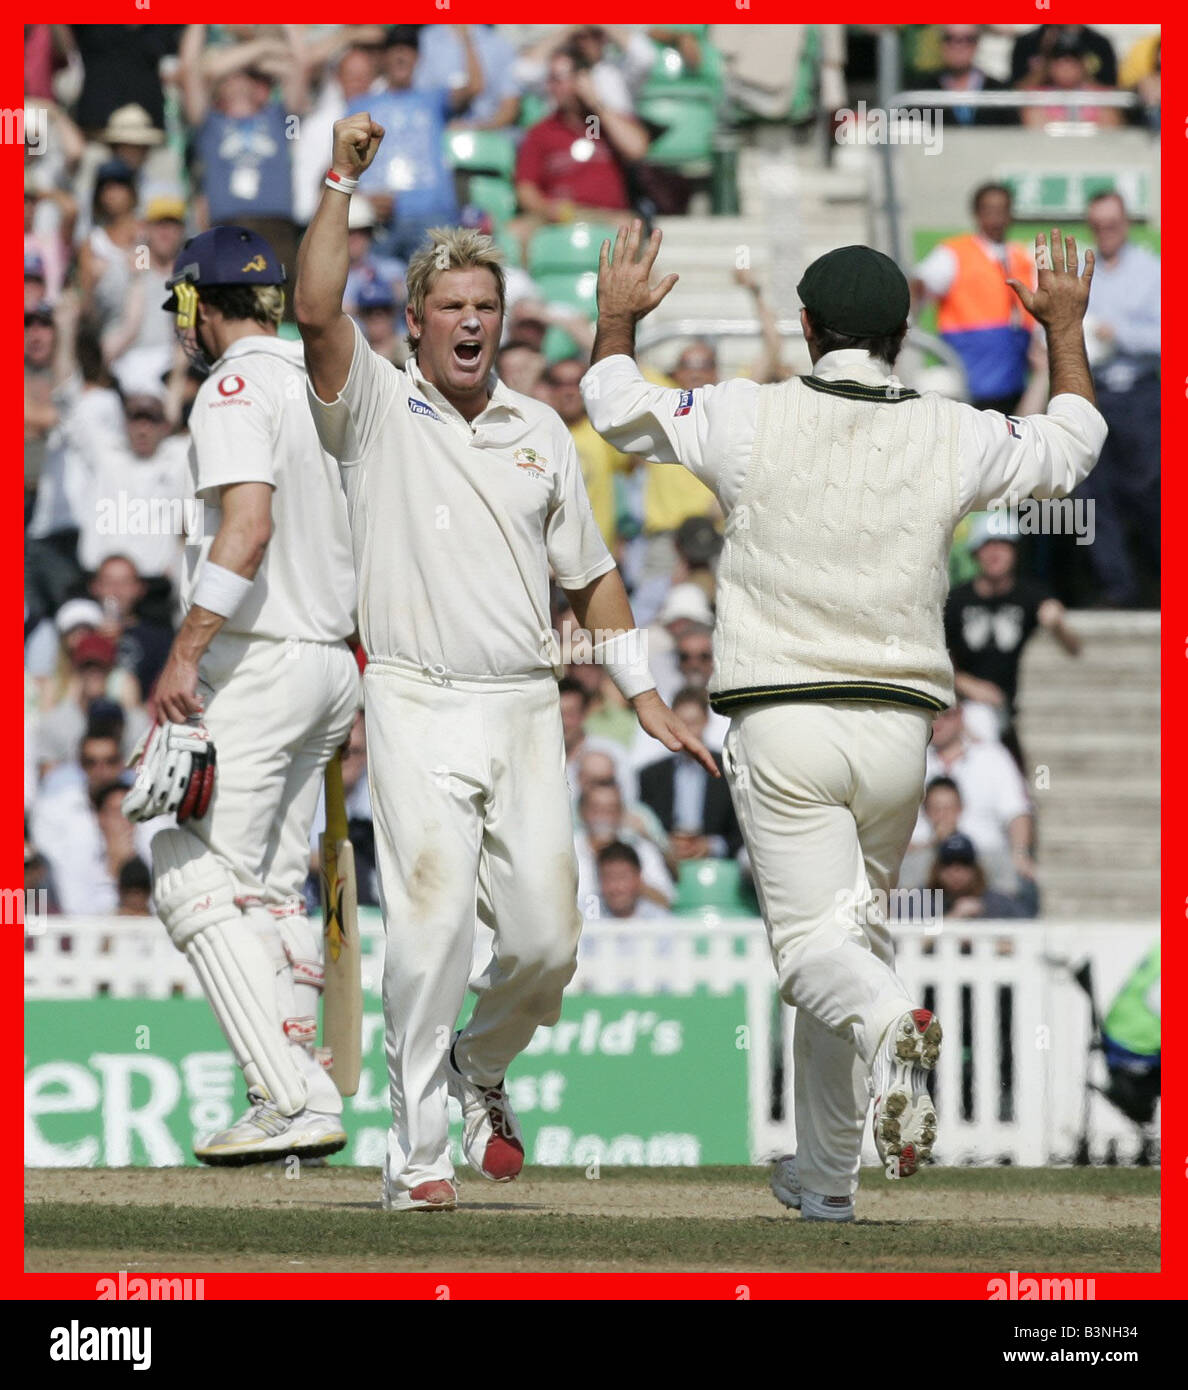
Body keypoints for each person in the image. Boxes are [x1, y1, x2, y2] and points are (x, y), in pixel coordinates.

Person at [581, 220, 1106, 1220]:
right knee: (846, 940)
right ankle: (825, 1179)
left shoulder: (747, 413)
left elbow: (611, 404)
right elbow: (1073, 445)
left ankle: (889, 1020)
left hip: (783, 723)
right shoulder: (950, 427)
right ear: (905, 333)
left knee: (817, 963)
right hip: (901, 737)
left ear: (809, 327)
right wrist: (1064, 332)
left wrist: (617, 319)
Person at [294, 113, 713, 1212]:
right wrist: (341, 175)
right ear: (417, 323)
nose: (472, 323)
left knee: (543, 943)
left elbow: (595, 577)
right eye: (453, 308)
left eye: (487, 307)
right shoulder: (376, 404)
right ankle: (417, 1153)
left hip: (527, 702)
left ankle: (481, 1065)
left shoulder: (541, 428)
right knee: (427, 927)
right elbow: (312, 307)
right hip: (415, 697)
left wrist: (649, 693)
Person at [126, 225, 360, 1167]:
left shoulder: (231, 387)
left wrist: (185, 650)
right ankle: (294, 1100)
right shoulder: (324, 378)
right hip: (330, 665)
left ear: (200, 305)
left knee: (184, 863)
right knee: (265, 887)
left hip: (259, 664)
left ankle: (287, 1094)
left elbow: (247, 529)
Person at [1076, 192, 1161, 606]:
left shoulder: (1152, 271)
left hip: (1142, 396)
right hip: (1093, 395)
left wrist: (1117, 333)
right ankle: (1117, 586)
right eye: (1097, 226)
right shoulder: (1082, 272)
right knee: (1088, 492)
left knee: (1149, 491)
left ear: (1125, 223)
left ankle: (1165, 578)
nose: (1104, 233)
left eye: (1111, 225)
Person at [945, 514, 1081, 764]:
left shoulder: (1029, 595)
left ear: (1015, 552)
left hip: (1010, 710)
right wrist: (968, 686)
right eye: (988, 544)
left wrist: (1058, 625)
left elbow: (1075, 649)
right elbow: (935, 656)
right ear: (975, 552)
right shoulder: (956, 600)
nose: (995, 552)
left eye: (1003, 544)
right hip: (961, 708)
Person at [912, 183, 1036, 413]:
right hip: (969, 383)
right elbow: (920, 284)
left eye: (1002, 211)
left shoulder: (1022, 257)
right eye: (989, 211)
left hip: (1013, 381)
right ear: (977, 214)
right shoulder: (954, 253)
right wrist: (908, 324)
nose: (996, 219)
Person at [637, 687, 741, 860]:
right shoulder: (651, 775)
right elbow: (645, 823)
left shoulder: (729, 767)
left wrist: (712, 845)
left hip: (718, 863)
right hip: (666, 862)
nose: (688, 731)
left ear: (706, 720)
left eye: (693, 722)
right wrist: (664, 843)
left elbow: (741, 830)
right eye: (681, 723)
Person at [914, 26, 1018, 127]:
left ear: (977, 43)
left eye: (968, 39)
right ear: (940, 42)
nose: (958, 46)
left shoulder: (1000, 93)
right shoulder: (920, 92)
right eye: (949, 38)